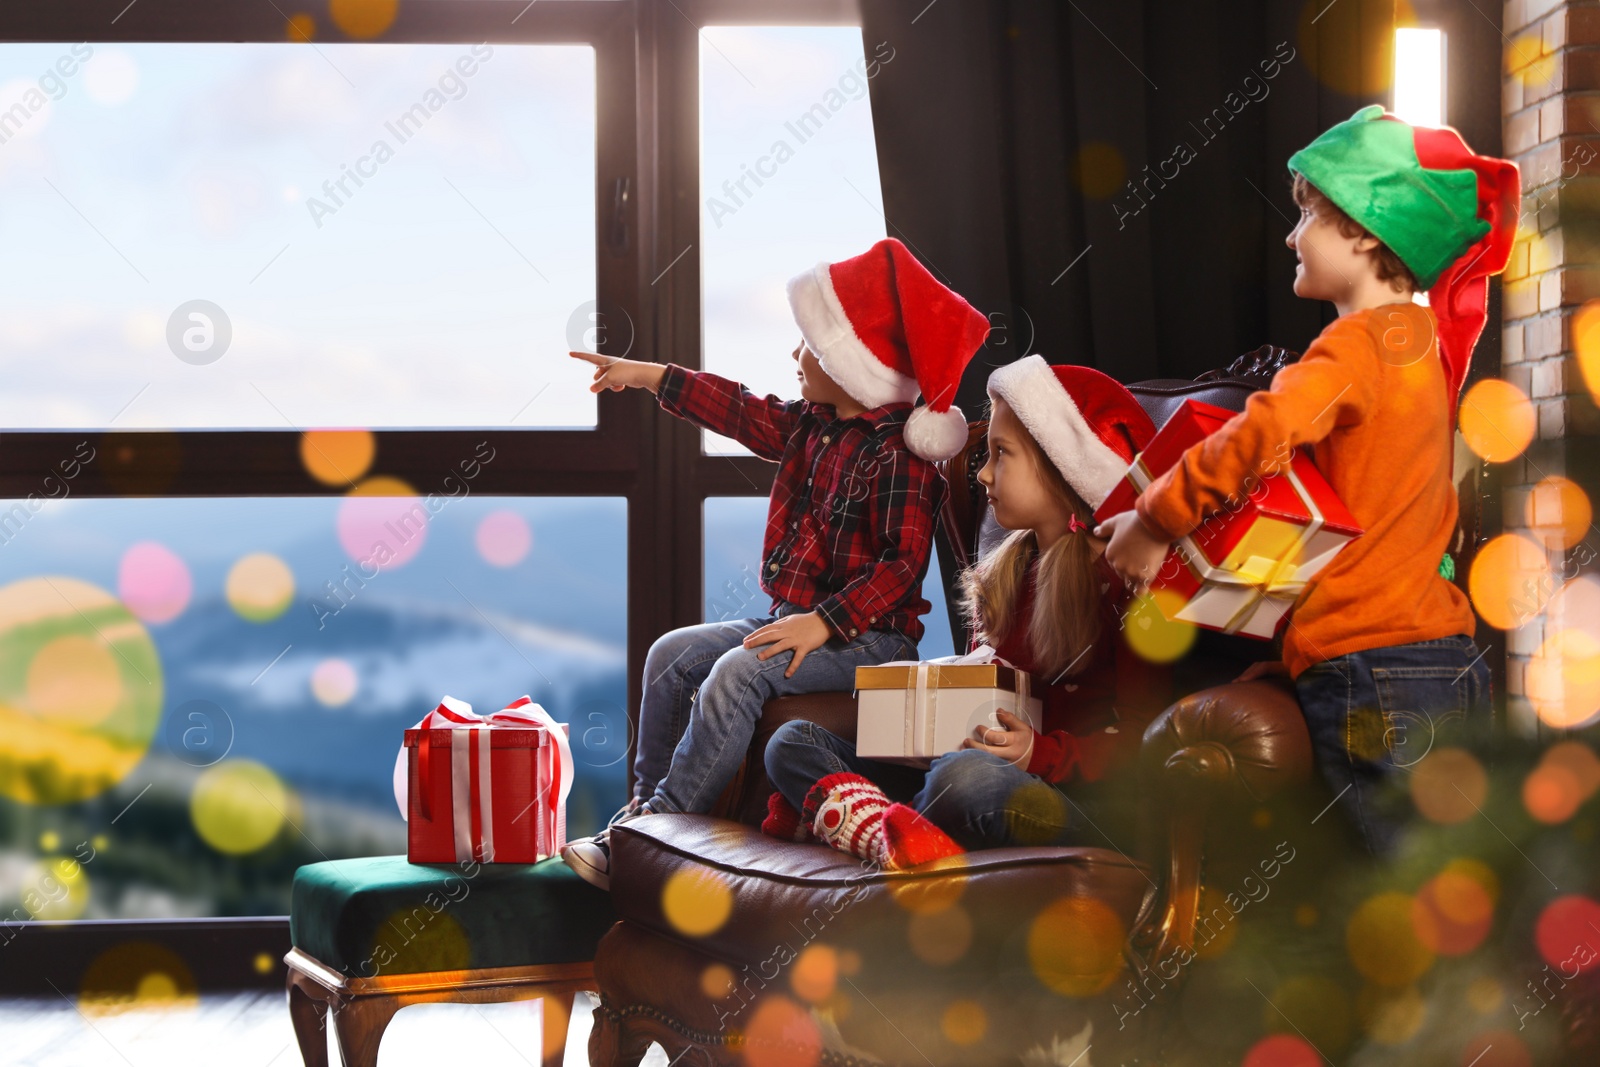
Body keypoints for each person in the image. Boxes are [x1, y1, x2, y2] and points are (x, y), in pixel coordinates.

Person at [1097, 105, 1519, 855]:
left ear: (1362, 229)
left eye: (1308, 218)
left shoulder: (1354, 346)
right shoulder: (1422, 350)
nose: (1291, 236)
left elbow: (1258, 432)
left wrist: (1154, 520)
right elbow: (1368, 519)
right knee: (1447, 871)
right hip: (1440, 654)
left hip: (1373, 665)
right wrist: (1295, 652)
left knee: (1402, 880)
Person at [560, 237, 989, 888]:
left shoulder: (900, 457)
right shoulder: (809, 424)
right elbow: (738, 409)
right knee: (670, 654)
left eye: (813, 346)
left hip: (869, 638)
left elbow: (901, 568)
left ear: (857, 366)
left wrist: (823, 624)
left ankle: (659, 831)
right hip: (793, 617)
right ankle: (644, 814)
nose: (796, 356)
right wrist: (651, 376)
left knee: (738, 672)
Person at [762, 358, 1170, 868]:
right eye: (986, 454)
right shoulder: (1009, 573)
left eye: (1001, 455)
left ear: (1063, 468)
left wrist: (1036, 754)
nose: (983, 473)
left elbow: (1147, 743)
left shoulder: (1128, 589)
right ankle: (894, 838)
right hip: (964, 763)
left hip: (1069, 800)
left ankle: (853, 816)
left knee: (966, 779)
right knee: (791, 741)